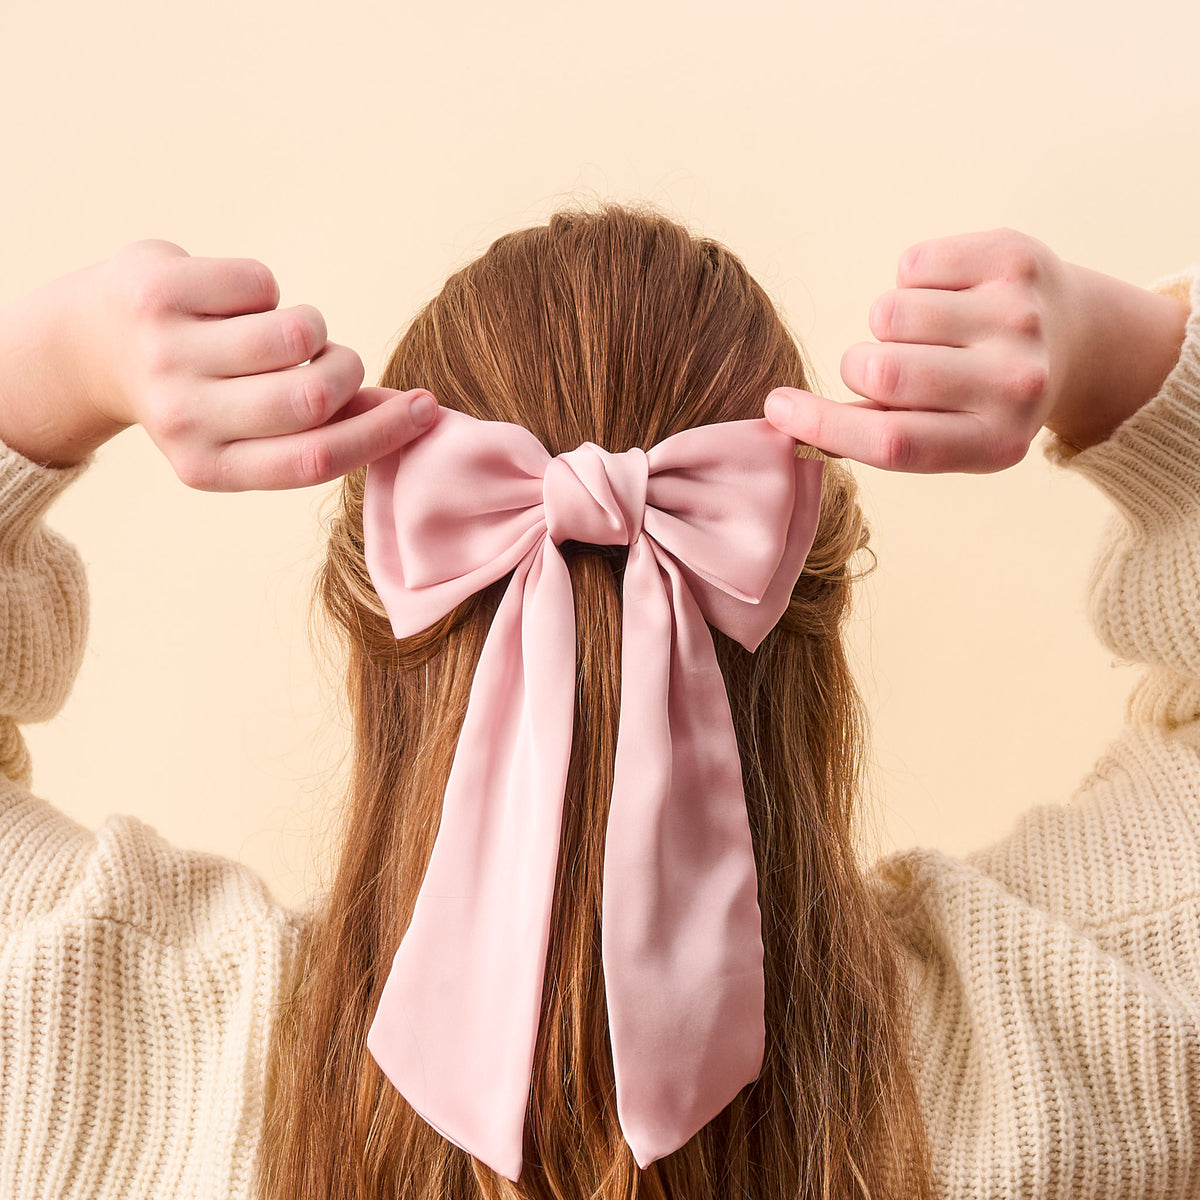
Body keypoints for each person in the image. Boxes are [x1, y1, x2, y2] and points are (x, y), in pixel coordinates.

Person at [0, 202, 1195, 1199]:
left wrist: (59, 364)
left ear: (379, 593)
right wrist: (1118, 360)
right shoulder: (1082, 1020)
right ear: (813, 586)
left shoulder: (101, 1032)